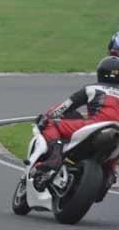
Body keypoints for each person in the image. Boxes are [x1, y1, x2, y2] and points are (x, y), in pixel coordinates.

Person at [34, 56, 119, 195]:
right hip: (115, 134)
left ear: (101, 72)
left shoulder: (92, 88)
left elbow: (64, 107)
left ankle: (55, 156)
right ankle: (109, 176)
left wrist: (46, 116)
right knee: (111, 160)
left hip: (96, 125)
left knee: (50, 123)